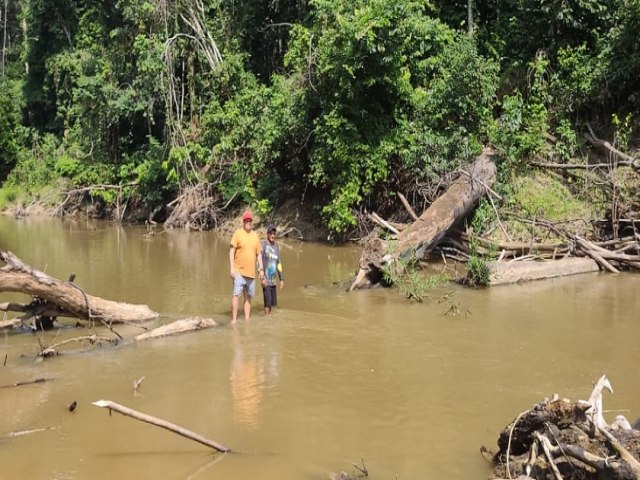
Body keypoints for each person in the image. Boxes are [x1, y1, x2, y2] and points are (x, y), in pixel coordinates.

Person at [229, 211, 265, 324]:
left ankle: (247, 320)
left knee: (248, 298)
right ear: (243, 222)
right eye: (247, 220)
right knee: (236, 296)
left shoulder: (255, 236)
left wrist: (261, 270)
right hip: (239, 271)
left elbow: (259, 254)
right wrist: (231, 268)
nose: (249, 222)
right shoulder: (238, 234)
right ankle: (234, 320)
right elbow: (231, 251)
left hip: (251, 273)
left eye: (250, 221)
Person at [261, 224, 284, 315]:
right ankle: (266, 319)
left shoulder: (277, 247)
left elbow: (279, 263)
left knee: (274, 304)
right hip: (266, 280)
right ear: (267, 234)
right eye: (270, 233)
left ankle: (271, 322)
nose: (272, 235)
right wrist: (261, 276)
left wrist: (281, 279)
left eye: (274, 233)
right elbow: (258, 260)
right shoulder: (263, 245)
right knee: (267, 305)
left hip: (273, 281)